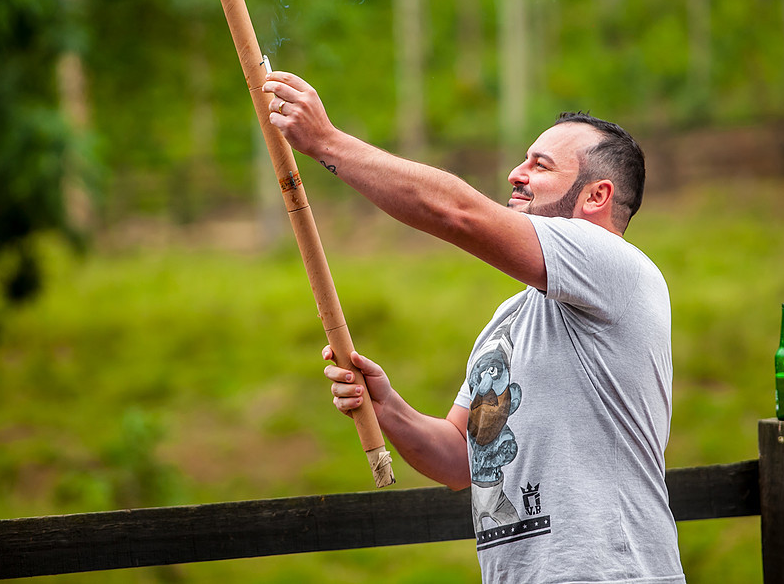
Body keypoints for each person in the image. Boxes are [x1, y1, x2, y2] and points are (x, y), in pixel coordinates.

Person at [262, 71, 685, 584]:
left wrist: (326, 142)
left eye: (540, 165)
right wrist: (388, 408)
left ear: (596, 196)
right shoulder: (509, 319)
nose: (515, 172)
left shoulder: (617, 267)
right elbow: (462, 460)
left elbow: (458, 214)